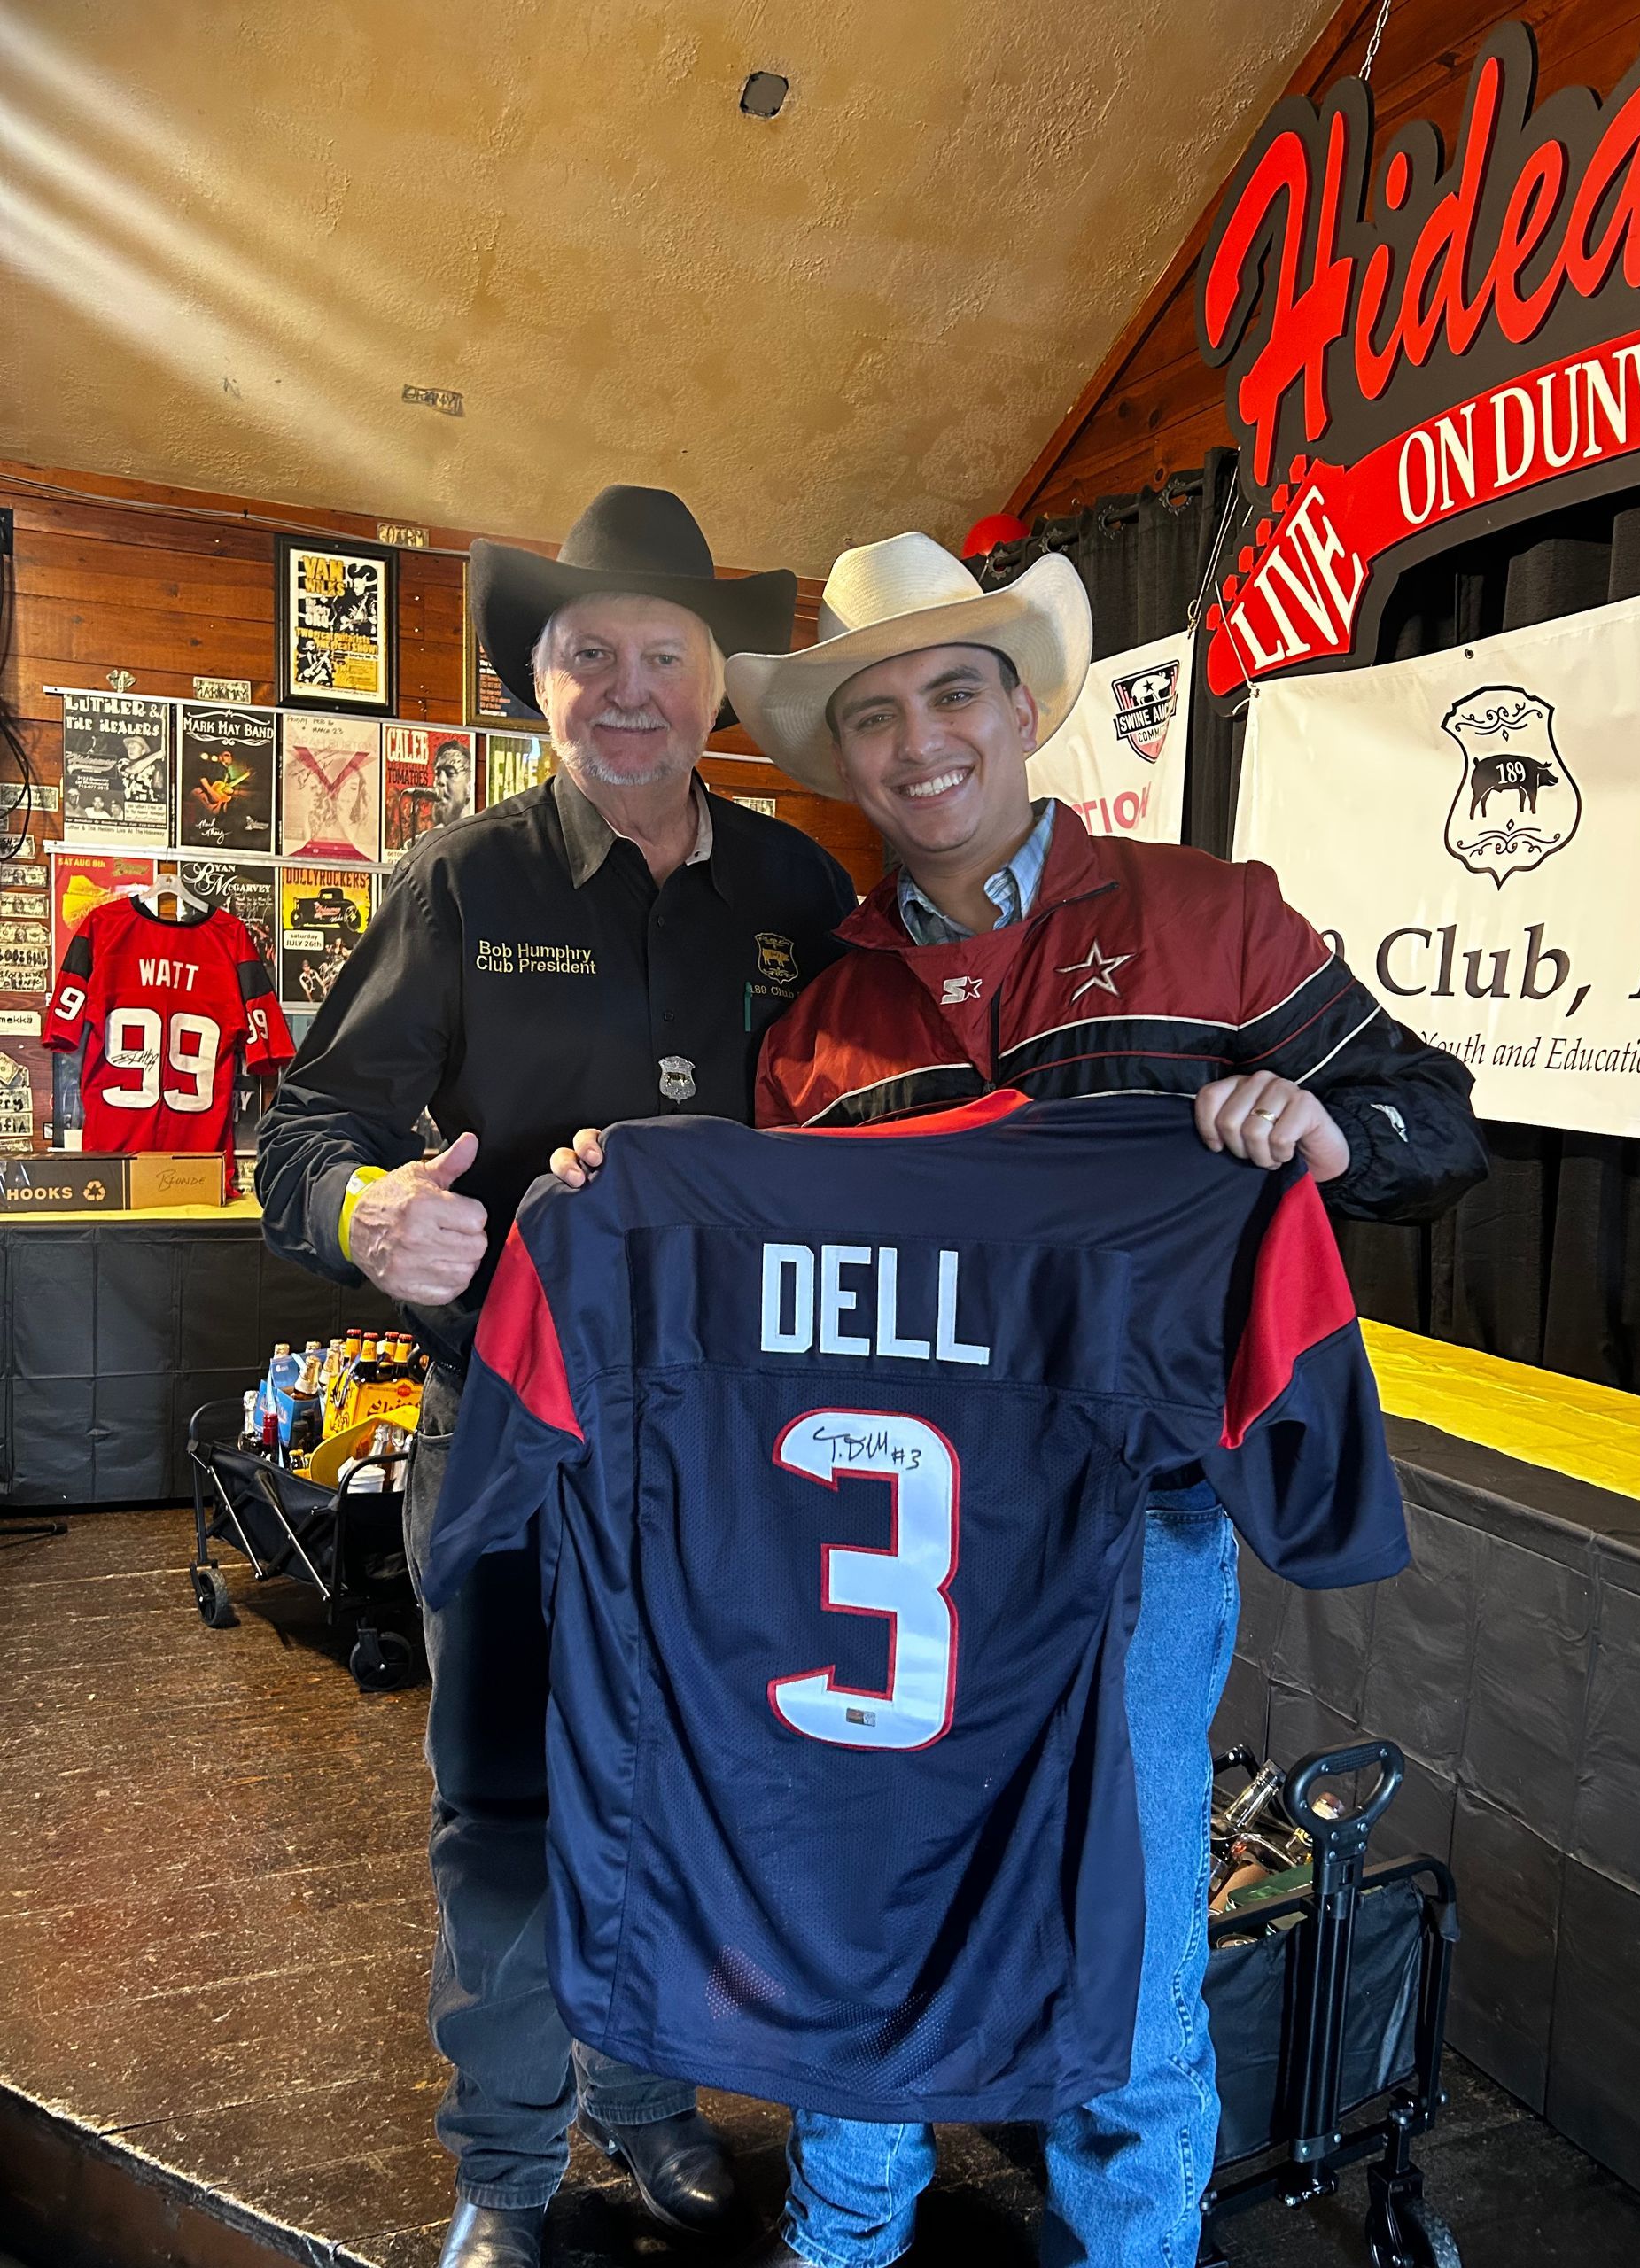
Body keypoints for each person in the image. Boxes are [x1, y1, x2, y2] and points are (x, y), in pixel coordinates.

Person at [560, 529, 1487, 2268]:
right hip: (881, 1559)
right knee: (863, 1908)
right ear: (844, 748)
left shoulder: (1214, 920)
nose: (923, 742)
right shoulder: (817, 1030)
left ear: (1024, 703)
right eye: (879, 712)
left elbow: (1436, 1120)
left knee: (1121, 1946)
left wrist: (1323, 1128)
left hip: (1126, 1549)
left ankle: (1134, 2243)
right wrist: (640, 1195)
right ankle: (846, 2227)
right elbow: (781, 1314)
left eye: (956, 690)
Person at [256, 485, 857, 2268]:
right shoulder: (459, 884)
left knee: (683, 1787)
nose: (624, 684)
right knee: (509, 1808)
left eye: (660, 650)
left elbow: (885, 1117)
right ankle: (510, 2167)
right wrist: (367, 1209)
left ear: (715, 678)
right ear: (538, 681)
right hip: (510, 1428)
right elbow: (302, 1128)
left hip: (730, 1450)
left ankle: (648, 2090)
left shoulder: (799, 891)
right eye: (584, 652)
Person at [431, 736, 474, 827]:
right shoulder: (425, 839)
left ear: (470, 788)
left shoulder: (478, 836)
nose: (440, 781)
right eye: (437, 773)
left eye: (450, 773)